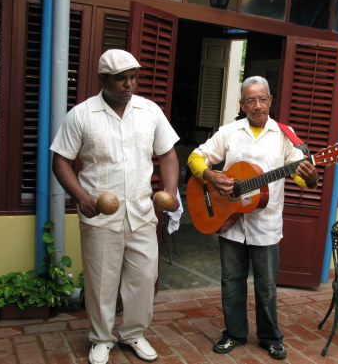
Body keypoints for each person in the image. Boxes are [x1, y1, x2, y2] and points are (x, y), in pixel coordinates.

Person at [50, 49, 180, 364]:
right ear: (103, 79)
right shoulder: (81, 114)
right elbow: (61, 161)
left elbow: (168, 155)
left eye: (133, 77)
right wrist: (82, 198)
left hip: (141, 213)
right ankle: (101, 338)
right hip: (100, 216)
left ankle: (134, 333)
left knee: (143, 278)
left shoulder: (150, 111)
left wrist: (171, 191)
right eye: (121, 78)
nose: (128, 84)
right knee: (100, 282)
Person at [187, 76, 319, 360]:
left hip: (266, 224)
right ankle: (234, 333)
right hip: (230, 221)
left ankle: (271, 338)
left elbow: (299, 175)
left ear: (270, 100)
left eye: (262, 99)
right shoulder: (229, 132)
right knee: (231, 281)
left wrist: (311, 178)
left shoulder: (285, 135)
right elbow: (196, 157)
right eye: (251, 100)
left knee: (266, 286)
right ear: (242, 104)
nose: (257, 105)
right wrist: (211, 175)